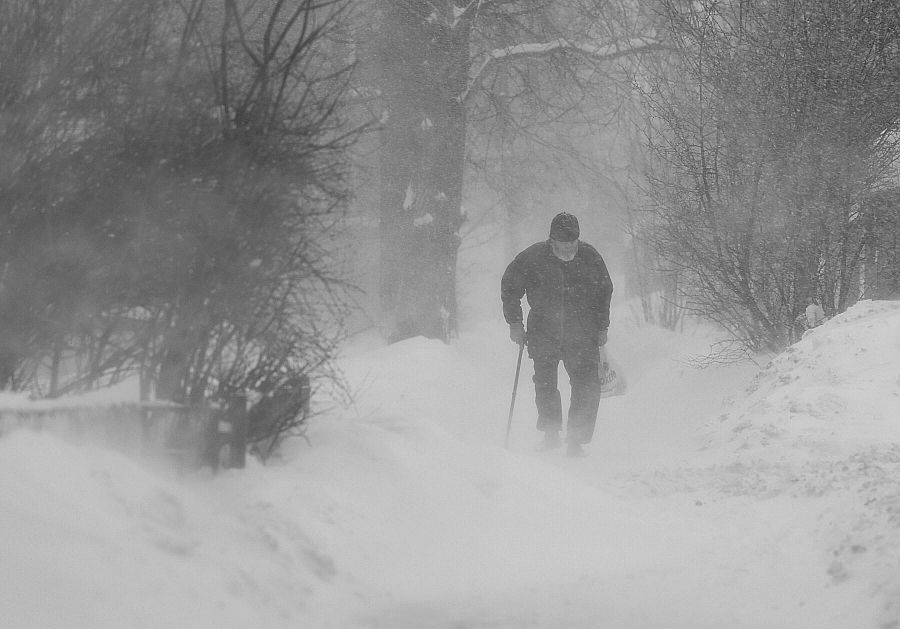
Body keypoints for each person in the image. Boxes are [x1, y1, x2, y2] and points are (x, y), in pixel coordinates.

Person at [500, 212, 614, 456]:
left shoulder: (590, 257)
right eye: (564, 243)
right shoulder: (533, 258)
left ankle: (576, 439)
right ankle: (551, 433)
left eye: (573, 243)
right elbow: (510, 287)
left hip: (582, 333)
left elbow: (604, 292)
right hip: (543, 331)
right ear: (551, 240)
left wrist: (602, 326)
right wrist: (515, 323)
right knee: (545, 384)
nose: (569, 248)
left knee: (586, 384)